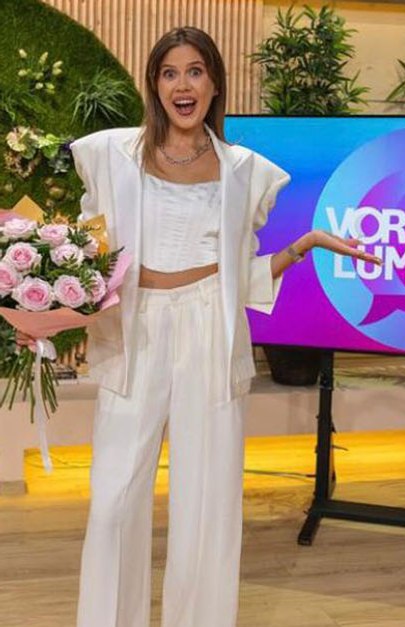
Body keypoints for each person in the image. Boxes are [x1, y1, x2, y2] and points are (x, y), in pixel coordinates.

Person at [16, 26, 378, 627]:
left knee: (208, 503)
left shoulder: (246, 172)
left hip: (209, 328)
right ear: (154, 84)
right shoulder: (110, 154)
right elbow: (89, 263)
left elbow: (239, 276)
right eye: (169, 73)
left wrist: (307, 243)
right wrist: (45, 315)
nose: (182, 85)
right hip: (136, 330)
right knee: (113, 501)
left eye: (195, 72)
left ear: (213, 84)